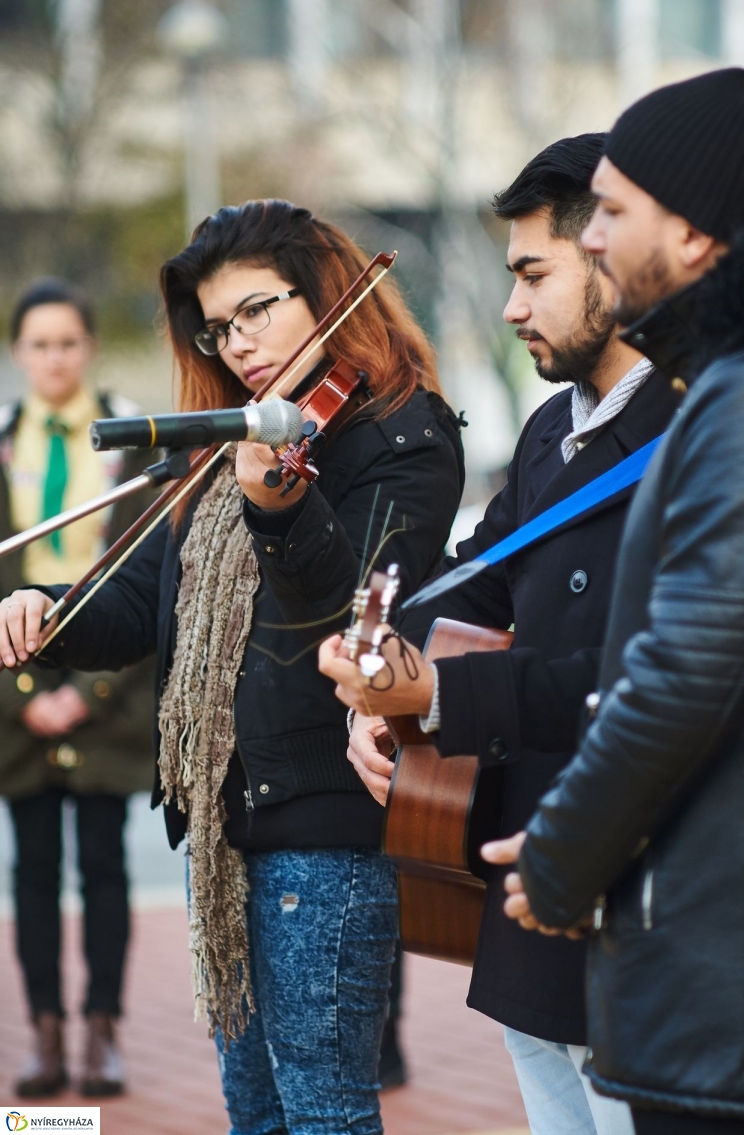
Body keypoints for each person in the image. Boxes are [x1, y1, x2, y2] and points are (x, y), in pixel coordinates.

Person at [0, 201, 464, 1135]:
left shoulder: (401, 433)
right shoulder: (224, 447)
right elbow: (139, 603)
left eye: (257, 309)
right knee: (254, 1116)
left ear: (325, 292)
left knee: (324, 1113)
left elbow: (357, 623)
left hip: (325, 828)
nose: (238, 341)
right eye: (218, 326)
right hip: (225, 831)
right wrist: (47, 613)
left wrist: (282, 507)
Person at [320, 135, 679, 1135]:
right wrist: (379, 689)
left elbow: (640, 673)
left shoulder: (696, 429)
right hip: (525, 898)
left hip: (633, 892)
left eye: (533, 274)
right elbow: (464, 584)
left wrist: (435, 695)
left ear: (611, 257)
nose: (513, 307)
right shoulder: (548, 431)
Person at [493, 68, 744, 1135]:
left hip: (732, 973)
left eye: (613, 212)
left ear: (695, 234)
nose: (590, 237)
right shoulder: (739, 383)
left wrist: (562, 853)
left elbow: (683, 672)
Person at [0, 279, 157, 1098]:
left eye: (68, 342)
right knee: (31, 870)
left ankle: (101, 1029)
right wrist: (25, 692)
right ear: (18, 353)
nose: (54, 358)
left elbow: (147, 583)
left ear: (89, 346)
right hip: (14, 679)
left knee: (103, 865)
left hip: (106, 672)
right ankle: (45, 1033)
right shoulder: (3, 443)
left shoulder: (133, 444)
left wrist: (88, 692)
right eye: (39, 344)